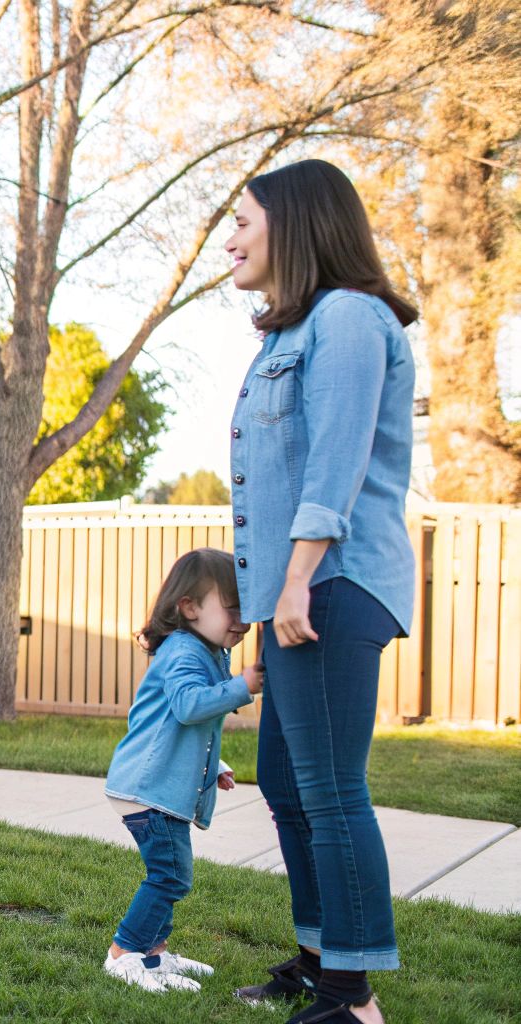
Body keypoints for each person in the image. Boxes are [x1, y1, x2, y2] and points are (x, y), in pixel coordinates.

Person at [224, 158, 419, 1024]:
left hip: (333, 583)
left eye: (242, 219)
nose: (230, 237)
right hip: (296, 592)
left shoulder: (346, 319)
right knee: (288, 783)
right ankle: (317, 958)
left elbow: (333, 465)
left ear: (292, 225)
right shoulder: (291, 335)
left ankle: (352, 998)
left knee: (332, 787)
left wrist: (297, 581)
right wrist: (267, 603)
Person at [102, 547, 262, 994]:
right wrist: (242, 687)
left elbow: (180, 725)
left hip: (157, 784)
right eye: (232, 607)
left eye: (246, 609)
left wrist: (215, 765)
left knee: (171, 873)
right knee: (171, 875)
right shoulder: (185, 652)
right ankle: (125, 953)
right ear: (189, 607)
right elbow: (190, 706)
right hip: (147, 788)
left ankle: (153, 955)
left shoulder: (205, 651)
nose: (243, 620)